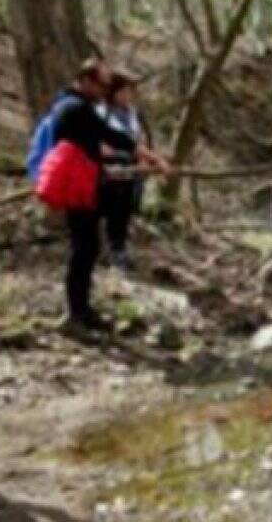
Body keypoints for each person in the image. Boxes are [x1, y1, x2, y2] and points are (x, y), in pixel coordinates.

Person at [53, 60, 170, 340]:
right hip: (77, 185)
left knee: (90, 248)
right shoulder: (75, 107)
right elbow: (108, 135)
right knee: (83, 250)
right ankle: (73, 315)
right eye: (103, 85)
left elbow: (102, 139)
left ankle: (83, 310)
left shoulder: (77, 105)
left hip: (87, 182)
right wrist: (148, 156)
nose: (105, 91)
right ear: (86, 81)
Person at [96, 73, 149, 271]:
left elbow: (142, 139)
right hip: (109, 170)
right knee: (111, 211)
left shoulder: (134, 114)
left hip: (132, 170)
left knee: (127, 210)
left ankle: (120, 248)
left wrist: (143, 159)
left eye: (130, 91)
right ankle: (110, 251)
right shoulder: (101, 113)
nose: (127, 95)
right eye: (123, 91)